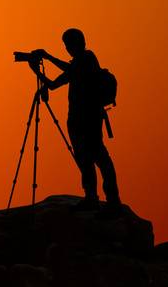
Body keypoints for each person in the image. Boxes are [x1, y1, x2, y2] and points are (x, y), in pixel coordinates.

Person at [28, 28, 123, 220]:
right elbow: (54, 85)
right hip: (76, 119)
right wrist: (37, 71)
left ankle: (113, 202)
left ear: (78, 42)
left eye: (68, 44)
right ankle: (91, 198)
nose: (67, 48)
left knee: (99, 156)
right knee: (83, 158)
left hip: (90, 117)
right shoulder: (75, 65)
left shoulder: (88, 59)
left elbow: (71, 70)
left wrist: (47, 56)